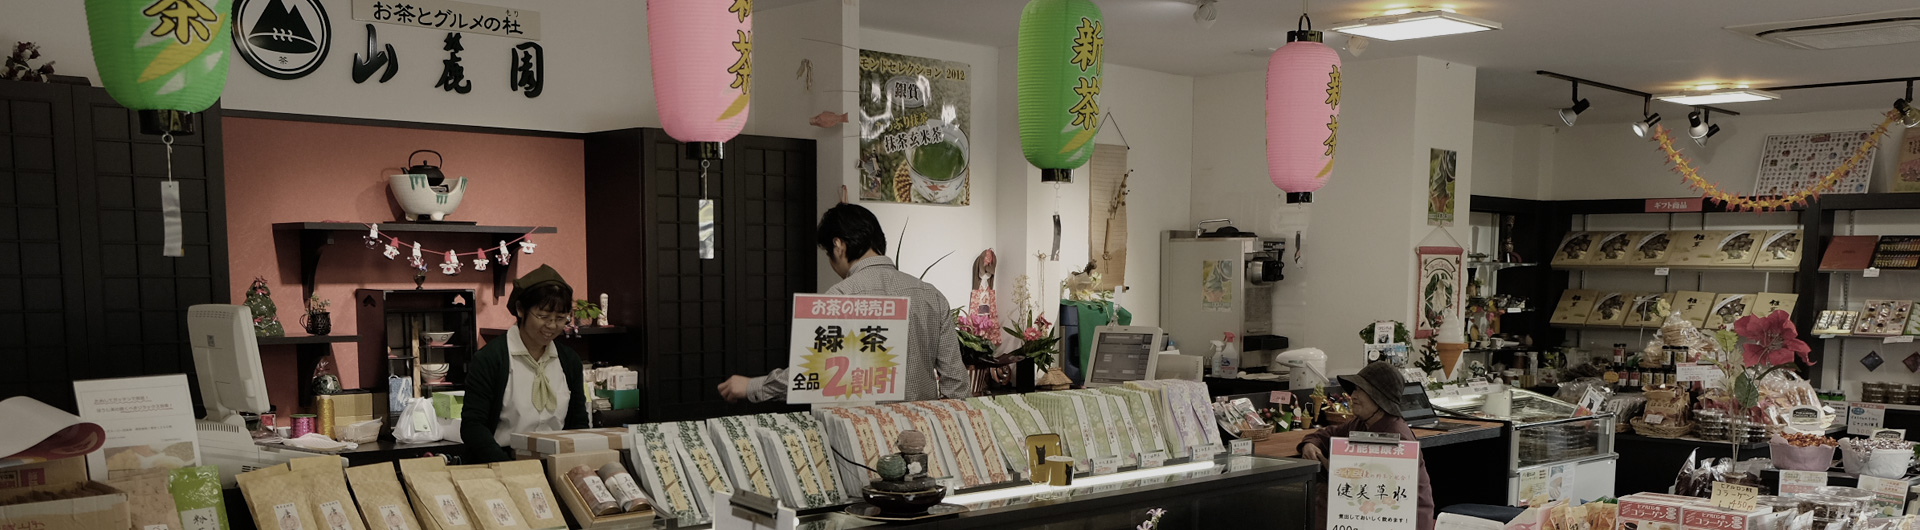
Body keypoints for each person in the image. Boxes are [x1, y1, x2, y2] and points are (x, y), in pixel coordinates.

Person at [717, 203, 970, 403]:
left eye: (828, 253)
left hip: (861, 440)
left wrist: (752, 386)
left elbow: (813, 376)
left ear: (838, 245)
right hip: (921, 440)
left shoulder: (839, 299)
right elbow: (957, 386)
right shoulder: (930, 295)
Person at [461, 265, 590, 462]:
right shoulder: (491, 359)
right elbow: (473, 426)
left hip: (557, 463)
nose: (552, 326)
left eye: (560, 318)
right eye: (543, 316)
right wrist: (510, 468)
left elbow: (578, 422)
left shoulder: (569, 361)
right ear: (521, 310)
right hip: (503, 462)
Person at [1298, 361, 1435, 530]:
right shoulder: (1362, 423)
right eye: (1355, 389)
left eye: (1361, 390)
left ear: (1379, 400)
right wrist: (1310, 444)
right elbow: (1327, 434)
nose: (1353, 396)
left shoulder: (1397, 437)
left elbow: (1386, 499)